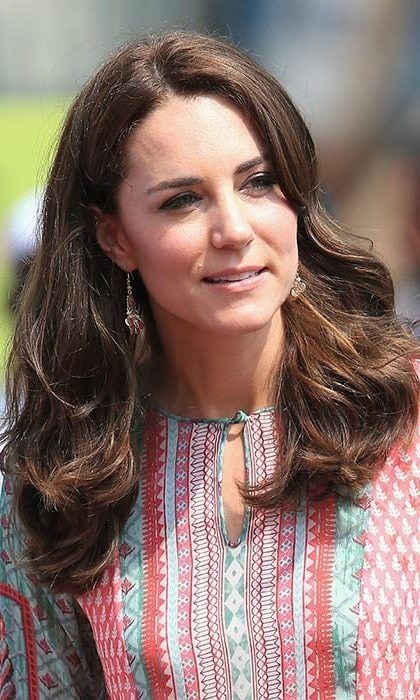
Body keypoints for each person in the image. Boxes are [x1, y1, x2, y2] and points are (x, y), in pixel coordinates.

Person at [0, 31, 418, 699]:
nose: (234, 229)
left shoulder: (404, 411)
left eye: (258, 183)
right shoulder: (63, 474)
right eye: (182, 201)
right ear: (115, 236)